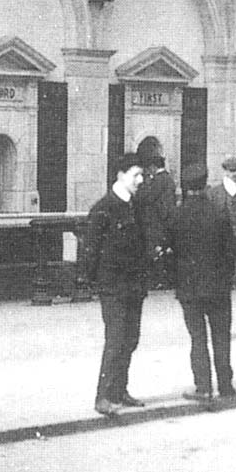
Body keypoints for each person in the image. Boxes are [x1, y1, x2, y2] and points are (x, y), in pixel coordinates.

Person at [83, 153, 150, 416]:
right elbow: (91, 249)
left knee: (131, 339)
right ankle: (103, 396)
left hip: (134, 286)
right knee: (115, 339)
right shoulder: (104, 208)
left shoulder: (136, 205)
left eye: (142, 175)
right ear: (120, 175)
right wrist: (92, 282)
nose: (140, 180)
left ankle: (120, 390)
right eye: (136, 175)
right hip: (113, 287)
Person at [171, 163, 236, 402]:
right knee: (222, 337)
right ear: (205, 184)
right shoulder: (218, 212)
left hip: (189, 287)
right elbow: (231, 250)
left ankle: (203, 386)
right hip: (219, 287)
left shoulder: (177, 215)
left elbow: (172, 253)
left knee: (198, 338)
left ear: (185, 188)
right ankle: (226, 386)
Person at [206, 156, 236, 340]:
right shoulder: (214, 193)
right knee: (221, 287)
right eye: (231, 171)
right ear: (225, 171)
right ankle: (221, 329)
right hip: (222, 247)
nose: (235, 174)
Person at [136, 152, 177, 288]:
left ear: (153, 166)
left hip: (157, 221)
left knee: (156, 249)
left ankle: (159, 280)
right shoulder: (168, 179)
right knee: (163, 249)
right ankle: (165, 279)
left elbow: (147, 198)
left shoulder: (158, 180)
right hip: (167, 219)